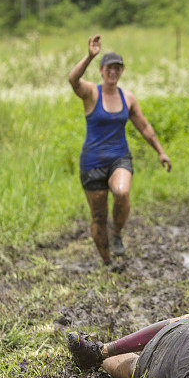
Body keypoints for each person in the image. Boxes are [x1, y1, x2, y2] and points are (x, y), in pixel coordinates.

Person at [68, 34, 171, 264]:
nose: (113, 72)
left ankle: (117, 235)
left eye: (118, 68)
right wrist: (89, 56)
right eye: (109, 68)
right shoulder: (91, 93)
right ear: (102, 71)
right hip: (92, 163)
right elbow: (73, 80)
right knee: (98, 216)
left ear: (122, 71)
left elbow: (144, 127)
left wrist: (160, 151)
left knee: (122, 192)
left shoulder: (128, 97)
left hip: (119, 158)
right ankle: (107, 262)